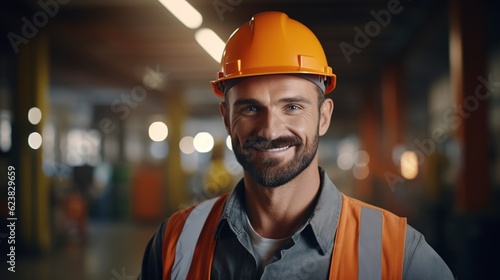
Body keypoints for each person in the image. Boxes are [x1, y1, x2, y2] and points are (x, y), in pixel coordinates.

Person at [139, 11, 454, 279]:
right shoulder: (174, 242)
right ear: (226, 118)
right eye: (250, 108)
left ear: (324, 117)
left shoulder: (400, 257)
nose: (270, 129)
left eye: (292, 106)